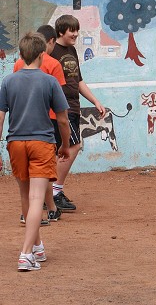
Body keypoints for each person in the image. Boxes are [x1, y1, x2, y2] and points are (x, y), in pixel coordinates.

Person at [0, 32, 71, 271]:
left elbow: (0, 117)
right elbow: (62, 120)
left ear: (21, 55)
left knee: (25, 196)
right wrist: (65, 145)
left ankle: (37, 246)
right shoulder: (49, 81)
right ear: (42, 55)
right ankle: (26, 254)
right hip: (41, 144)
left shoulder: (8, 81)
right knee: (36, 199)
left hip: (16, 143)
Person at [50, 15, 106, 211]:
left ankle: (49, 192)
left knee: (63, 149)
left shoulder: (72, 50)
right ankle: (54, 192)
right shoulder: (52, 51)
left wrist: (95, 101)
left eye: (77, 30)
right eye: (71, 30)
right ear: (60, 32)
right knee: (73, 146)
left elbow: (79, 81)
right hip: (61, 109)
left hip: (74, 107)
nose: (75, 34)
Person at [13, 25, 65, 225]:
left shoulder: (15, 69)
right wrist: (65, 143)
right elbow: (59, 104)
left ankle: (41, 211)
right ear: (45, 48)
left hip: (19, 127)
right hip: (46, 122)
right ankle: (48, 209)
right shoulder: (53, 66)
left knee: (28, 181)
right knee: (40, 173)